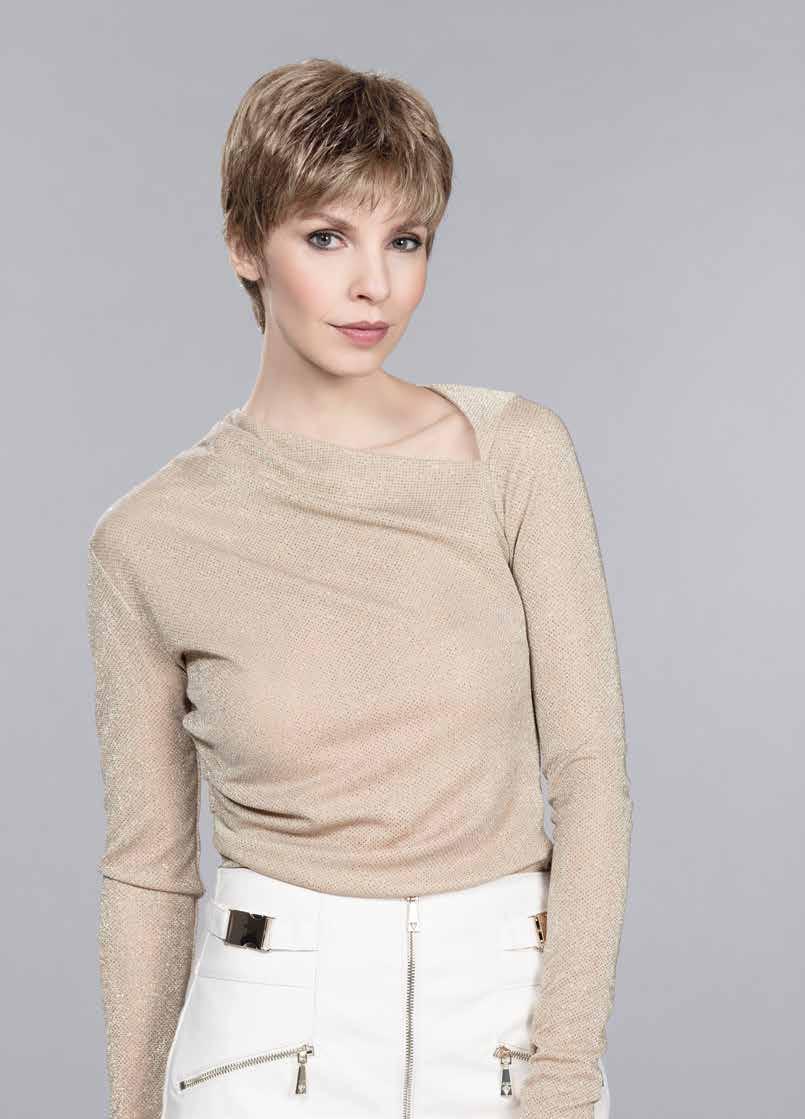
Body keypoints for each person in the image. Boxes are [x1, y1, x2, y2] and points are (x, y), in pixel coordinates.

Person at [86, 58, 633, 1119]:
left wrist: (565, 1069)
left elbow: (591, 775)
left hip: (504, 1023)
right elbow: (148, 870)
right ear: (246, 244)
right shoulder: (148, 540)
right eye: (328, 237)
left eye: (406, 241)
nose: (374, 284)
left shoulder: (514, 456)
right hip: (262, 1039)